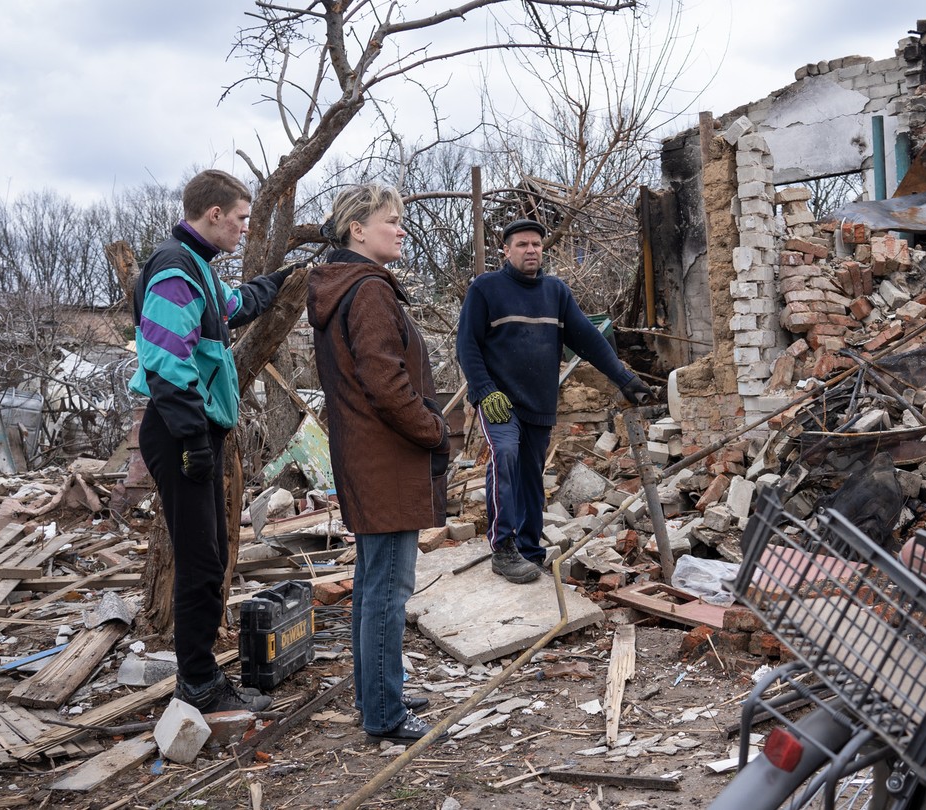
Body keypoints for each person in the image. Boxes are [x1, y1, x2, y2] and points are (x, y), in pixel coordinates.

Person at [130, 169, 293, 713]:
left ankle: (199, 676)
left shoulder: (196, 267)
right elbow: (164, 362)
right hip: (180, 430)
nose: (246, 229)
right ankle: (198, 683)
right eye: (242, 219)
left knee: (212, 554)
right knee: (201, 561)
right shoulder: (174, 271)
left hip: (193, 429)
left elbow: (235, 304)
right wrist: (193, 439)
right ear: (215, 214)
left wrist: (283, 281)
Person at [307, 183, 449, 744]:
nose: (401, 228)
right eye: (391, 220)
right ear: (356, 230)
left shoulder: (350, 288)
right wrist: (435, 430)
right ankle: (385, 714)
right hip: (385, 461)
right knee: (387, 591)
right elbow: (386, 385)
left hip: (368, 459)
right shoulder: (367, 291)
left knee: (372, 587)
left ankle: (377, 695)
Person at [456, 218, 651, 585]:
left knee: (532, 475)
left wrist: (626, 379)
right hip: (499, 402)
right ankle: (504, 547)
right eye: (522, 245)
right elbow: (466, 344)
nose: (531, 250)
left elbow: (589, 340)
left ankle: (530, 550)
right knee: (506, 456)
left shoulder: (555, 292)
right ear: (506, 250)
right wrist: (483, 389)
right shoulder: (486, 289)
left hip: (539, 400)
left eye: (536, 245)